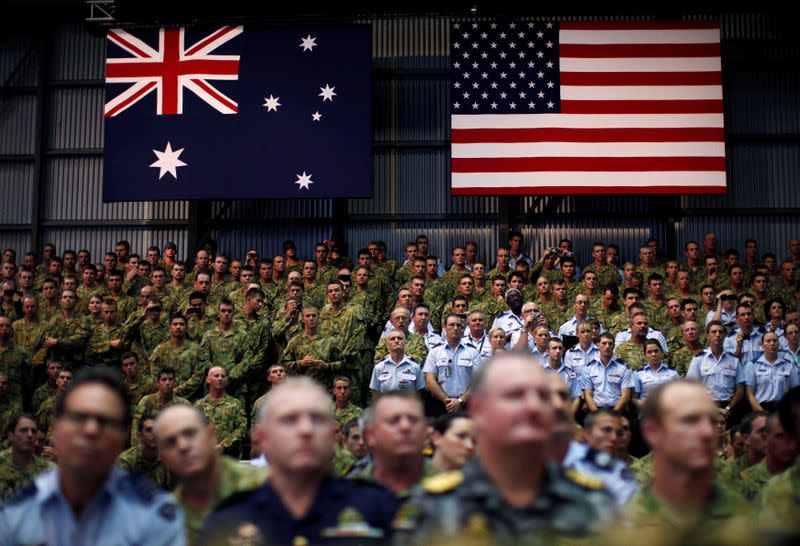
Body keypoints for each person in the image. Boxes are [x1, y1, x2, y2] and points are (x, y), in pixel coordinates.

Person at [396, 353, 615, 544]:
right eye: (514, 396)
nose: (530, 408)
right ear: (479, 409)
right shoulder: (433, 505)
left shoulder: (592, 502)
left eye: (541, 396)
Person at [199, 377, 399, 545]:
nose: (305, 430)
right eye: (289, 420)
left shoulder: (378, 510)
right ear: (262, 437)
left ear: (333, 435)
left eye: (317, 419)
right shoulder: (228, 523)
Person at [0, 368, 185, 545]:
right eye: (79, 418)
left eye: (106, 421)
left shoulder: (159, 518)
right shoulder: (15, 516)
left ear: (123, 434)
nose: (91, 430)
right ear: (56, 429)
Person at [623, 381, 751, 540]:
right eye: (690, 420)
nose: (706, 432)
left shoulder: (740, 509)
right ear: (653, 431)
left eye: (710, 421)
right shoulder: (627, 519)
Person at [154, 405, 267, 545]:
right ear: (162, 456)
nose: (182, 446)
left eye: (190, 434)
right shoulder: (165, 520)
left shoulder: (266, 484)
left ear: (212, 435)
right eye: (170, 442)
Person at [350, 391, 437, 497]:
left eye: (413, 420)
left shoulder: (451, 488)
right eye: (393, 420)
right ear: (370, 435)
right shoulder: (352, 492)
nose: (405, 427)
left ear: (425, 431)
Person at [686, 321, 747, 421]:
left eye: (720, 332)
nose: (717, 335)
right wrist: (716, 409)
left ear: (724, 336)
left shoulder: (734, 360)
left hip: (730, 408)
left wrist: (728, 408)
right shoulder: (698, 359)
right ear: (707, 336)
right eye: (714, 332)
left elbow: (740, 390)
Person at [423, 313, 480, 416]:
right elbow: (430, 380)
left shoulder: (472, 351)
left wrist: (460, 401)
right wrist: (447, 401)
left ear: (463, 329)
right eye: (452, 325)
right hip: (440, 404)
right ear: (445, 328)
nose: (455, 328)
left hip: (465, 404)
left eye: (459, 325)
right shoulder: (435, 351)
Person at [194, 366, 246, 459]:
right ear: (208, 379)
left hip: (229, 458)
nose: (220, 379)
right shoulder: (199, 405)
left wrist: (223, 445)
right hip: (205, 457)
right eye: (216, 376)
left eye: (223, 376)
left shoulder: (235, 404)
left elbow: (242, 428)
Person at [116, 413, 175, 491]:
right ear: (140, 435)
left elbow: (176, 492)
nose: (153, 434)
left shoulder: (168, 459)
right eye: (148, 430)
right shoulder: (126, 460)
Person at [744, 331, 799, 412]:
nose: (772, 343)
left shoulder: (788, 365)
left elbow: (796, 392)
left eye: (775, 340)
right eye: (768, 341)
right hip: (760, 409)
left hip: (782, 410)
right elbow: (749, 395)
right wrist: (762, 414)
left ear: (779, 344)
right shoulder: (752, 365)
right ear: (762, 345)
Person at [0, 413, 53, 495]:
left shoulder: (49, 469)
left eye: (34, 431)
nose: (30, 435)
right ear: (11, 436)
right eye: (24, 430)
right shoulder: (2, 464)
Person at [582, 333, 634, 413]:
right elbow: (587, 395)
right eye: (604, 343)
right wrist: (596, 415)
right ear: (597, 345)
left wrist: (613, 415)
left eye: (610, 344)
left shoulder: (623, 367)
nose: (607, 346)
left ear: (614, 346)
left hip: (617, 410)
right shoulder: (589, 368)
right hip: (596, 410)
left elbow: (625, 396)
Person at [369, 330, 426, 396]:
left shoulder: (415, 366)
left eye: (399, 338)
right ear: (387, 345)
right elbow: (375, 392)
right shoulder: (379, 367)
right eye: (392, 339)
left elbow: (419, 393)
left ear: (405, 343)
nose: (396, 341)